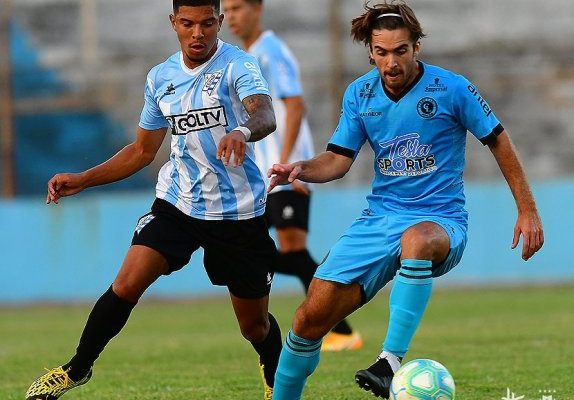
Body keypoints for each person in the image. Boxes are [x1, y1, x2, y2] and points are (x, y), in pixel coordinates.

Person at [267, 2, 544, 399]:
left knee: (416, 240)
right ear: (370, 52)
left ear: (416, 47)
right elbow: (338, 160)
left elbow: (498, 140)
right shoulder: (359, 94)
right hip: (379, 221)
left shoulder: (452, 88)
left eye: (400, 50)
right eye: (382, 52)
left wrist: (527, 209)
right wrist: (301, 169)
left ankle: (389, 363)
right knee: (309, 318)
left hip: (440, 220)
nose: (391, 61)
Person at [24, 1, 282, 400]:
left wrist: (243, 132)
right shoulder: (161, 78)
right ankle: (75, 369)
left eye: (207, 24)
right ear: (173, 23)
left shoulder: (239, 66)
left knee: (254, 327)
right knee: (127, 283)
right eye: (188, 24)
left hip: (239, 213)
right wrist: (85, 179)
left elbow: (265, 113)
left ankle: (274, 369)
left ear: (220, 22)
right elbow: (143, 151)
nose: (198, 33)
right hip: (178, 203)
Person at [222, 0, 363, 352]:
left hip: (287, 172)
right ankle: (340, 326)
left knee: (291, 253)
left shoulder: (271, 50)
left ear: (258, 8)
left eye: (239, 7)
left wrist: (289, 165)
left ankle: (343, 327)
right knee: (276, 252)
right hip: (268, 177)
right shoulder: (249, 54)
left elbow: (296, 104)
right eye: (228, 9)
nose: (232, 16)